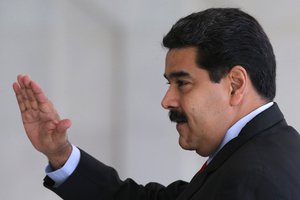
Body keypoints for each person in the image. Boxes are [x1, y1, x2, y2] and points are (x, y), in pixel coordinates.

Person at [13, 8, 300, 200]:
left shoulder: (253, 179)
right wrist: (61, 155)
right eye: (169, 83)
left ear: (235, 84)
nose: (167, 101)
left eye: (183, 83)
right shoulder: (261, 153)